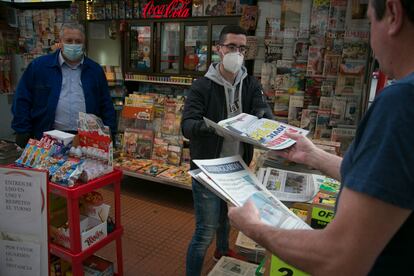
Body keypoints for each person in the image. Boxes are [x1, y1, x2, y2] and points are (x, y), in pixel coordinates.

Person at [228, 0, 414, 275]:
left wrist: (255, 227)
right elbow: (389, 183)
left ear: (393, 14)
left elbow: (338, 257)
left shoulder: (401, 103)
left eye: (371, 21)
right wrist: (313, 156)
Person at [181, 25, 273, 276]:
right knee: (205, 229)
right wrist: (214, 129)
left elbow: (264, 113)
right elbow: (187, 126)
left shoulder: (251, 84)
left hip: (237, 167)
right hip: (208, 168)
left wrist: (264, 122)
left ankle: (222, 251)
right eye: (231, 47)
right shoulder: (202, 86)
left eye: (242, 48)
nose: (237, 52)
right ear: (219, 49)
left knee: (226, 218)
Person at [11, 22, 116, 148]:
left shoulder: (95, 70)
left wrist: (110, 132)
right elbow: (22, 99)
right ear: (60, 42)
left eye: (78, 41)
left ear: (84, 43)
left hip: (86, 139)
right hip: (47, 138)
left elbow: (106, 104)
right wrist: (22, 131)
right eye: (69, 40)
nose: (73, 45)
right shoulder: (39, 67)